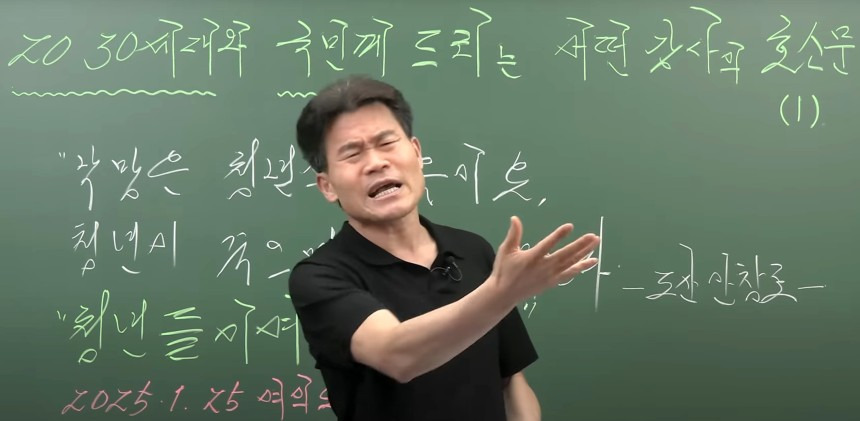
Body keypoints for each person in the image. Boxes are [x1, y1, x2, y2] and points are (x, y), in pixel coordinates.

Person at [288, 75, 600, 421]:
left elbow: (510, 382)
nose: (376, 162)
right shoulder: (320, 277)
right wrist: (503, 292)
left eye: (387, 143)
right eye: (352, 153)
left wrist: (502, 291)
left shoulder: (473, 250)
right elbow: (396, 354)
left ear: (416, 152)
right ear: (327, 186)